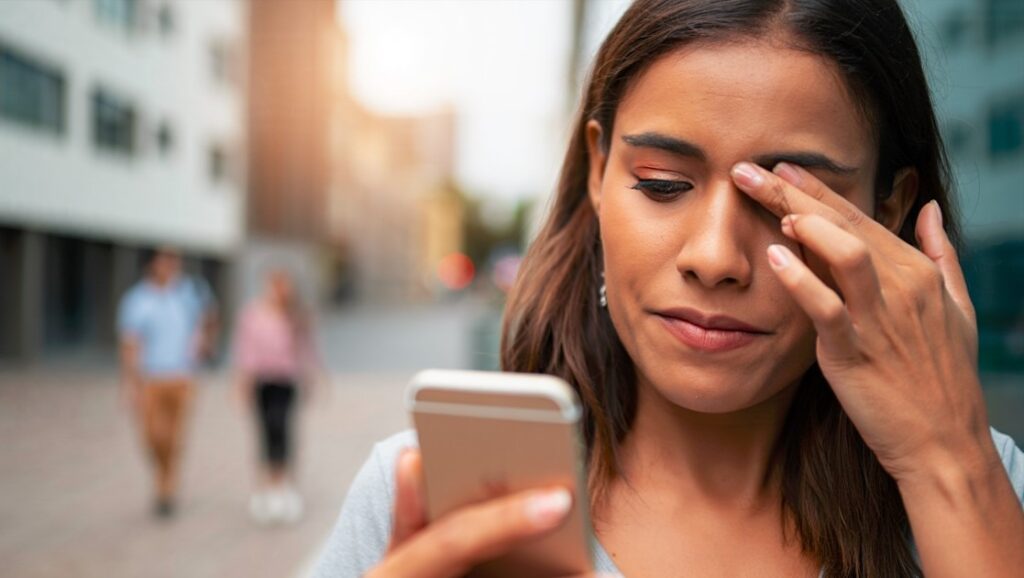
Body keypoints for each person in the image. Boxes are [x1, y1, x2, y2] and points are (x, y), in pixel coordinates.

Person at [314, 1, 1024, 576]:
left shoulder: (988, 484)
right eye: (663, 185)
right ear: (597, 172)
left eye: (785, 202)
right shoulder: (418, 493)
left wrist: (948, 464)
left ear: (888, 209)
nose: (715, 257)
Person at [118, 248, 218, 519]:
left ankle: (166, 487)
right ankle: (164, 475)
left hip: (183, 375)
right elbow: (130, 343)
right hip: (150, 378)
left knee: (175, 436)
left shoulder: (189, 292)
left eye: (175, 259)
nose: (172, 264)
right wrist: (130, 383)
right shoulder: (137, 300)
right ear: (152, 264)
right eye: (165, 259)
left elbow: (210, 317)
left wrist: (206, 343)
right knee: (152, 436)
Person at [233, 268, 322, 524]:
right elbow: (246, 351)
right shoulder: (253, 314)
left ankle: (284, 486)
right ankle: (266, 488)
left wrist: (312, 377)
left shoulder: (295, 316)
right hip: (263, 382)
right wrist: (242, 384)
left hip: (285, 382)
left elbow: (307, 349)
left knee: (283, 430)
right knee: (265, 432)